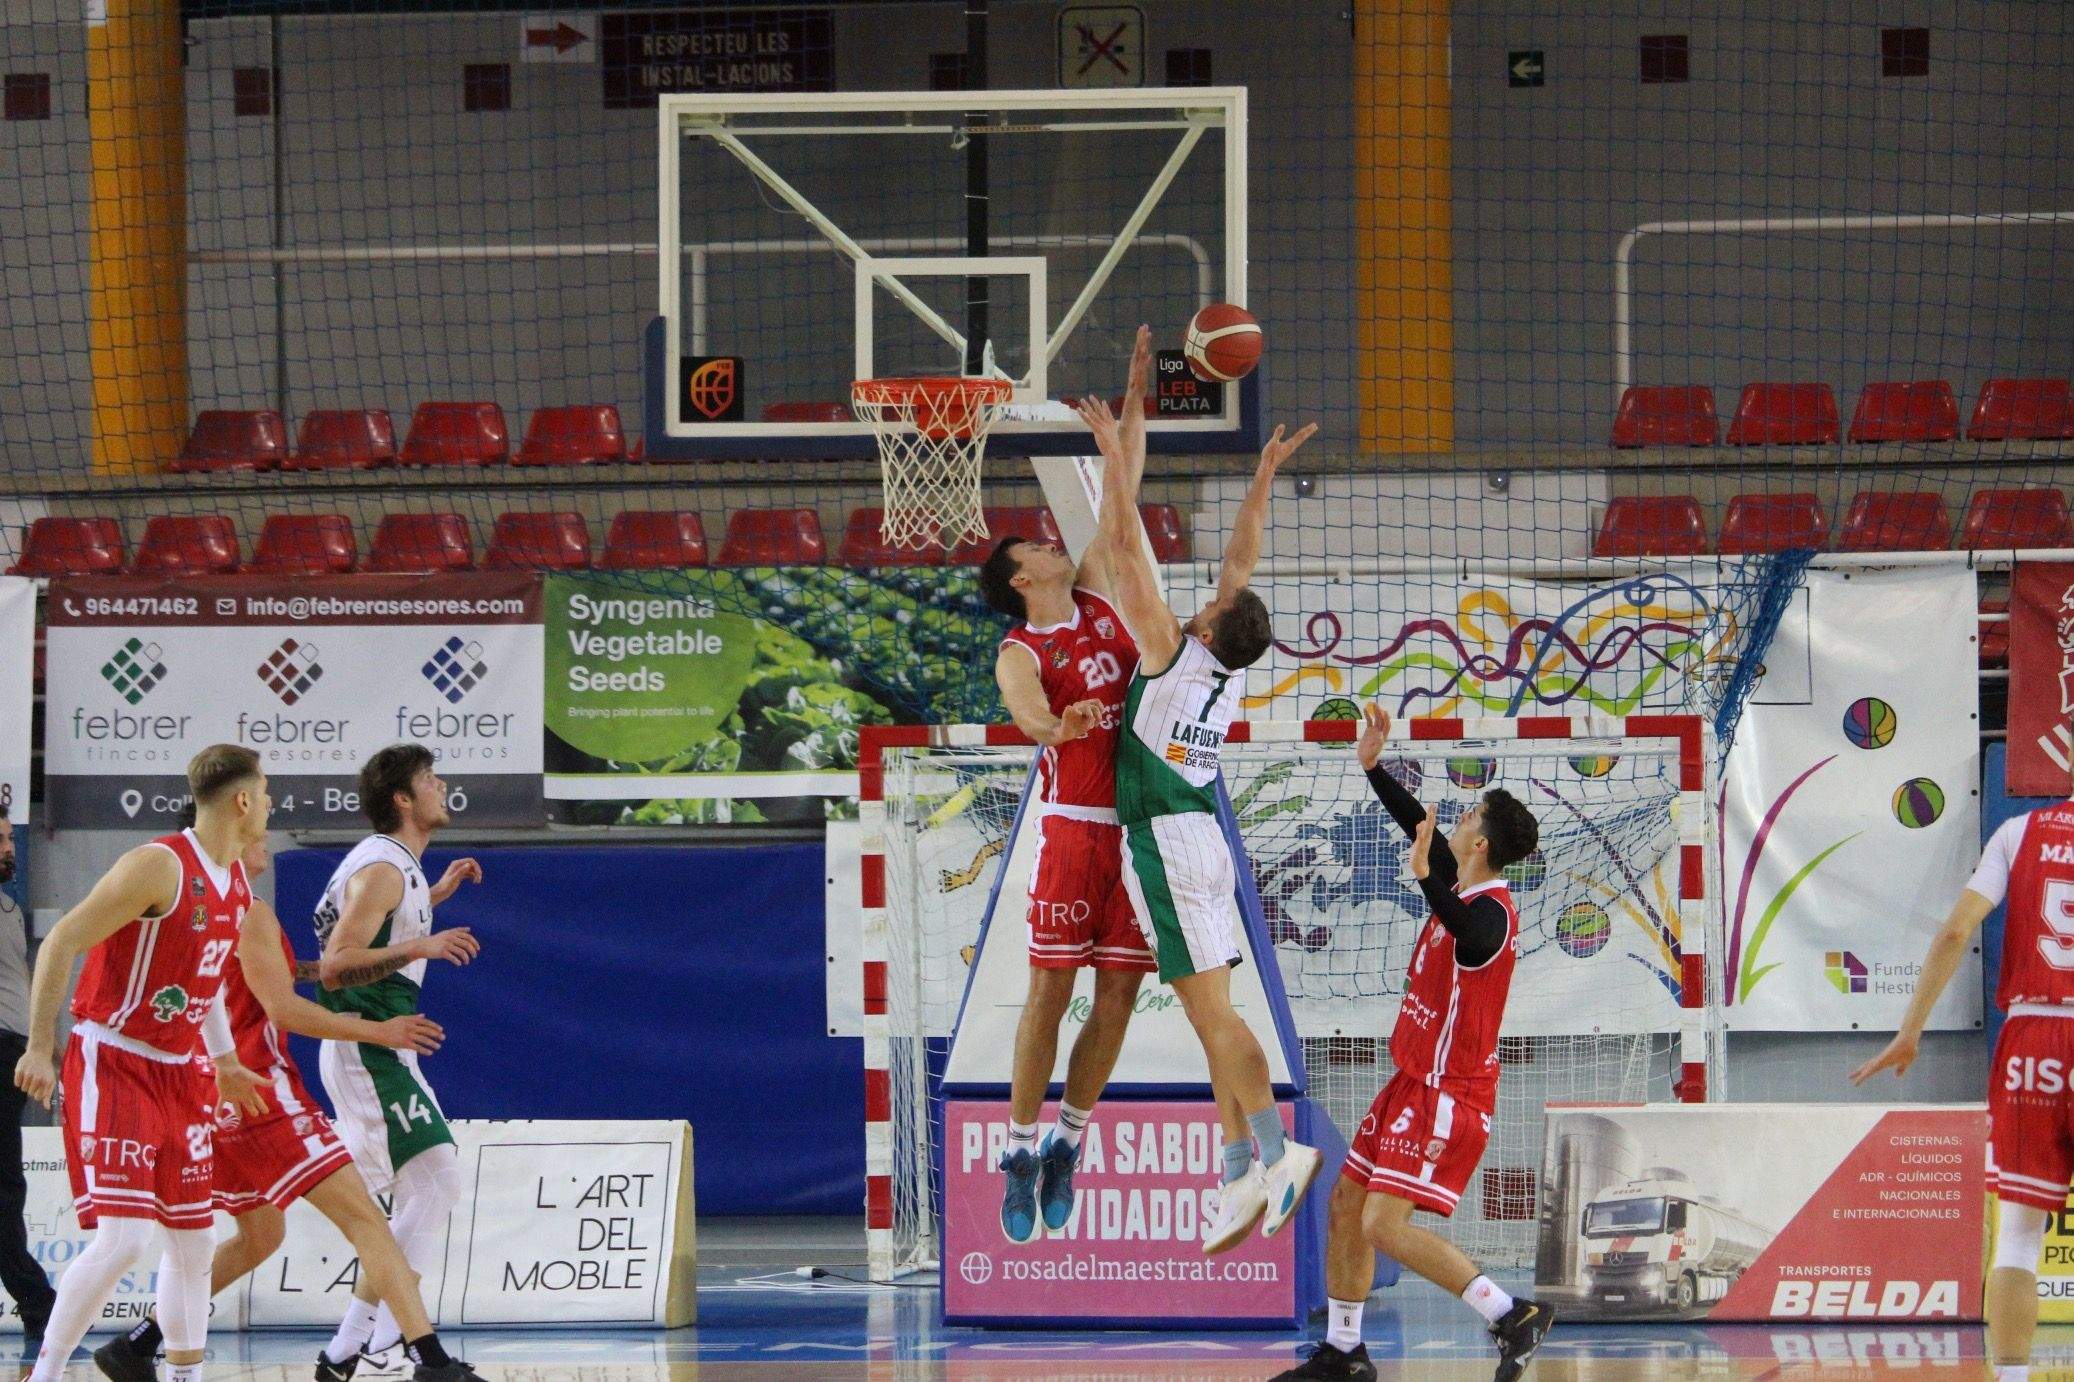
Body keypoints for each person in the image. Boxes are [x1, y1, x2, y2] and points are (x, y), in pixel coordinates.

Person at [1073, 325, 1321, 1255]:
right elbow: (1244, 562)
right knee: (1221, 1019)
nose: (1201, 599)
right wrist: (1259, 477)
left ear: (1209, 630)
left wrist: (1116, 444)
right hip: (1204, 842)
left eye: (1206, 606)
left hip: (1171, 845)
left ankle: (1275, 1151)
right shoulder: (1229, 665)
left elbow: (1117, 540)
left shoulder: (1173, 655)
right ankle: (1237, 1172)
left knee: (1213, 1019)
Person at [94, 827, 479, 1382]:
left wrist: (425, 900)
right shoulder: (246, 911)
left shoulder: (209, 909)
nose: (263, 842)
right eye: (255, 832)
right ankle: (416, 1358)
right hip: (259, 1091)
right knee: (369, 1220)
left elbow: (269, 979)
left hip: (211, 1092)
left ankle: (140, 1342)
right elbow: (283, 1008)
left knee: (260, 1236)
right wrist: (377, 1030)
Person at [1273, 705, 1549, 1382]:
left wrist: (1425, 873)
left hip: (1449, 1096)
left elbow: (1466, 931)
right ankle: (1345, 1350)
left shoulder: (1491, 914)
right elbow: (1417, 828)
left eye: (1467, 819)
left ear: (1480, 844)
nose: (1456, 820)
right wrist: (1371, 766)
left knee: (1381, 1226)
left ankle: (1510, 1313)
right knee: (1345, 1205)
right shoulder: (1460, 883)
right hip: (1412, 1082)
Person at [12, 746, 272, 1382]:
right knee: (125, 1240)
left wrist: (227, 1062)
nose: (269, 805)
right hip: (117, 1058)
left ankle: (186, 1375)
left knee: (193, 1241)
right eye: (265, 794)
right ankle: (43, 1376)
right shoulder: (159, 866)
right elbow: (63, 942)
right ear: (242, 800)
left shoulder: (237, 880)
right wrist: (40, 1046)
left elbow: (202, 980)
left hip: (182, 1071)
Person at [977, 481, 1155, 1243]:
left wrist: (1132, 405)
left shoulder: (1100, 593)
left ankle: (1068, 1144)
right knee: (1051, 990)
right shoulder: (1019, 651)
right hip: (1075, 829)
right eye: (1036, 549)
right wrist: (1062, 725)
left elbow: (1121, 499)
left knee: (1118, 995)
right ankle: (1017, 1150)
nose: (1053, 546)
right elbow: (1028, 717)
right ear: (1021, 580)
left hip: (1140, 829)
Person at [1852, 791, 2074, 1382]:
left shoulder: (2018, 833)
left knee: (2020, 1239)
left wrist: (1911, 1029)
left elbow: (1956, 932)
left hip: (2034, 1038)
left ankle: (2012, 1379)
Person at [312, 746, 481, 1370]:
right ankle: (384, 1341)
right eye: (431, 780)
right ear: (403, 800)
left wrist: (436, 894)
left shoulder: (396, 868)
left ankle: (348, 1350)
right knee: (436, 1184)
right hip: (369, 1046)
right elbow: (334, 967)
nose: (443, 786)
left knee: (427, 1192)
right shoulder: (382, 869)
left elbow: (382, 927)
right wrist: (426, 943)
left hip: (379, 1047)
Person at [0, 798, 55, 1367]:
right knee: (4, 1188)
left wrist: (41, 1043)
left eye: (10, 839)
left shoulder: (9, 910)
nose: (9, 848)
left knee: (5, 1187)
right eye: (1, 841)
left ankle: (40, 1305)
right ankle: (40, 1305)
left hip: (10, 1053)